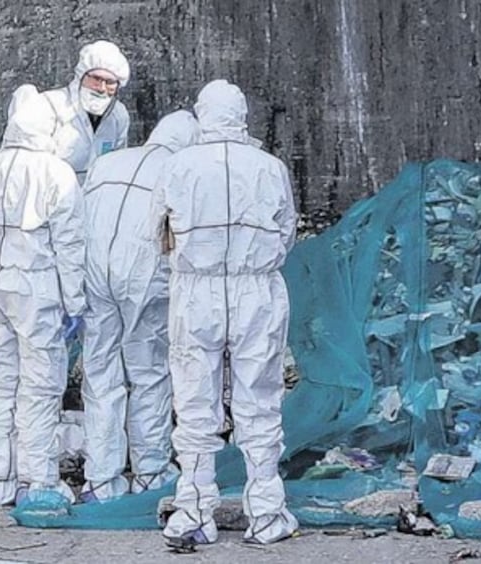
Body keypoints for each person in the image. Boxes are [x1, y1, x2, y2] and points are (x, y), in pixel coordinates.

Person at [152, 80, 300, 546]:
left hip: (196, 292)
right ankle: (267, 514)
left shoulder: (179, 166)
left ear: (202, 114)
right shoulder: (270, 167)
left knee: (195, 405)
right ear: (241, 116)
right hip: (256, 289)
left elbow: (160, 232)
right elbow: (287, 230)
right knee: (260, 400)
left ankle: (194, 511)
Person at [0, 84, 85, 507]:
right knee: (40, 384)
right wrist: (76, 302)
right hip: (35, 288)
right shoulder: (56, 172)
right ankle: (39, 479)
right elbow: (70, 244)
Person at [79, 110, 200, 503]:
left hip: (96, 274)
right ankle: (149, 472)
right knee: (148, 373)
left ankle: (101, 479)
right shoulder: (181, 168)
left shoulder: (108, 162)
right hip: (145, 279)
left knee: (100, 373)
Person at [43, 40, 131, 183]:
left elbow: (117, 163)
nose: (101, 88)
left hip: (97, 197)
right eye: (96, 78)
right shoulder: (52, 106)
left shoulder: (118, 116)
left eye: (110, 82)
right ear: (81, 77)